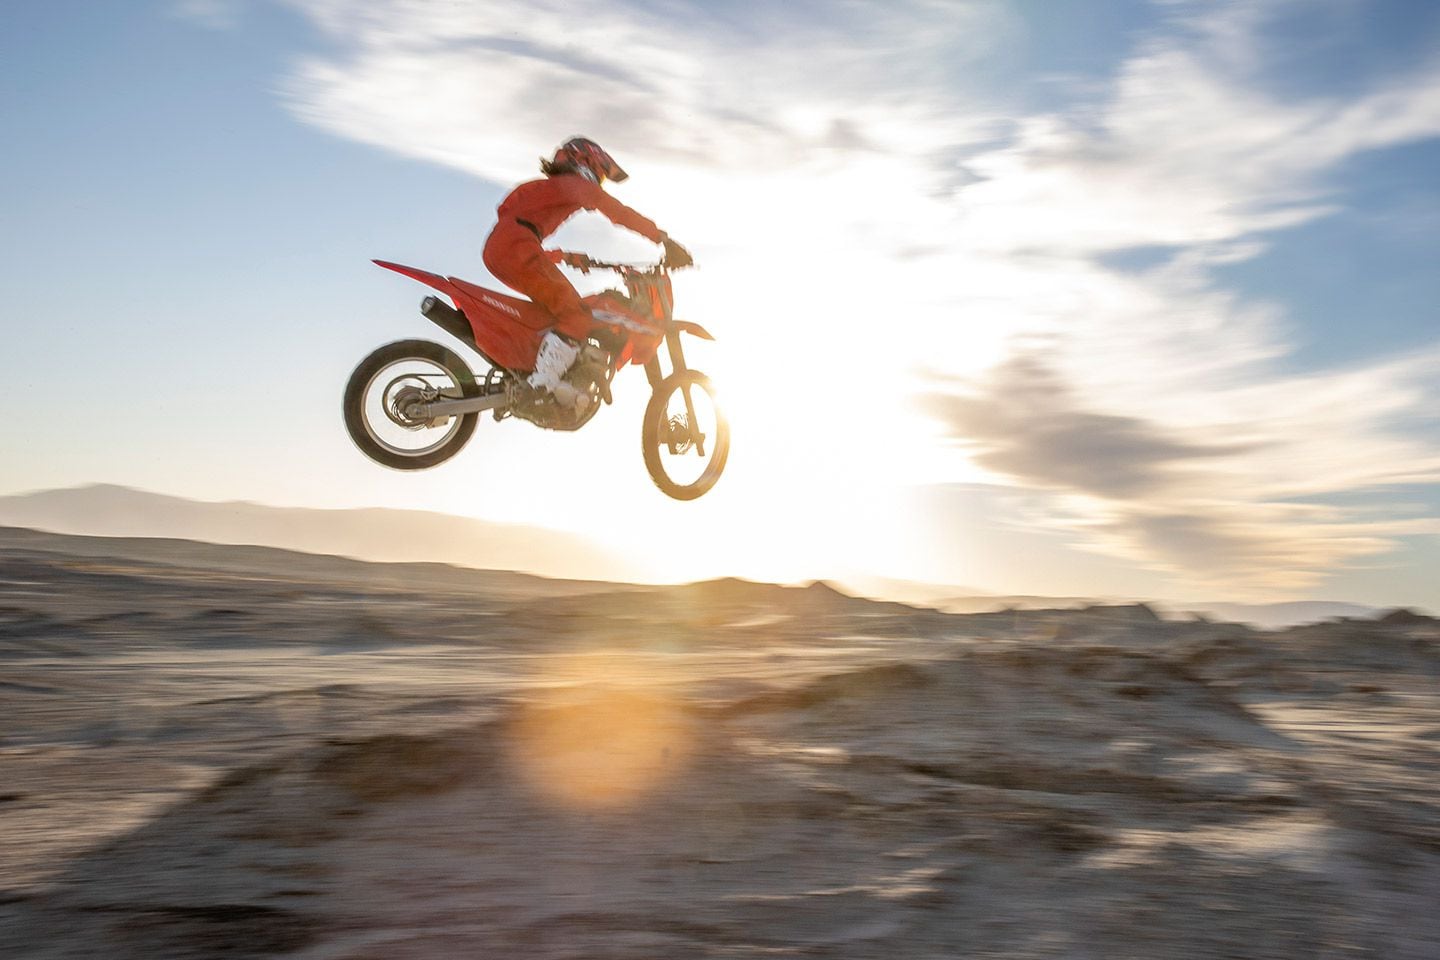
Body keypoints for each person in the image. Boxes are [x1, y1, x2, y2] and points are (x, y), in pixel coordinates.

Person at [482, 137, 692, 409]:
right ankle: (541, 384)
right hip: (517, 247)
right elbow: (618, 212)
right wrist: (662, 239)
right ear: (586, 163)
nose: (599, 182)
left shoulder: (552, 188)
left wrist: (566, 256)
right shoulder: (574, 185)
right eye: (601, 173)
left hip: (503, 248)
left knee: (554, 313)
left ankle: (543, 370)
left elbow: (519, 229)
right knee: (576, 315)